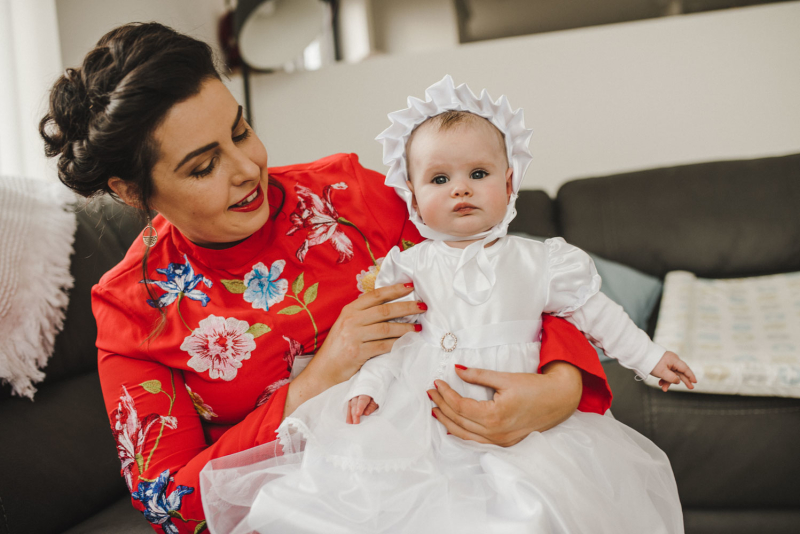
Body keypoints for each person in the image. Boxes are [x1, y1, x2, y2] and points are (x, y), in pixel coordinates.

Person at [40, 25, 616, 534]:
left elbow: (509, 274)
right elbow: (171, 504)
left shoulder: (349, 196)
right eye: (203, 165)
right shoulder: (135, 309)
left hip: (458, 477)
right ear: (130, 191)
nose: (247, 169)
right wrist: (320, 376)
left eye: (240, 132)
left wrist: (562, 385)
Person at [200, 76, 696, 534]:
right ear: (412, 197)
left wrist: (651, 359)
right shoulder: (408, 267)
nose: (459, 187)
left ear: (508, 184)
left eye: (477, 173)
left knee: (530, 510)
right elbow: (387, 343)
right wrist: (371, 385)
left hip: (523, 424)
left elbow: (599, 315)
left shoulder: (542, 261)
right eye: (439, 179)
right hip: (420, 412)